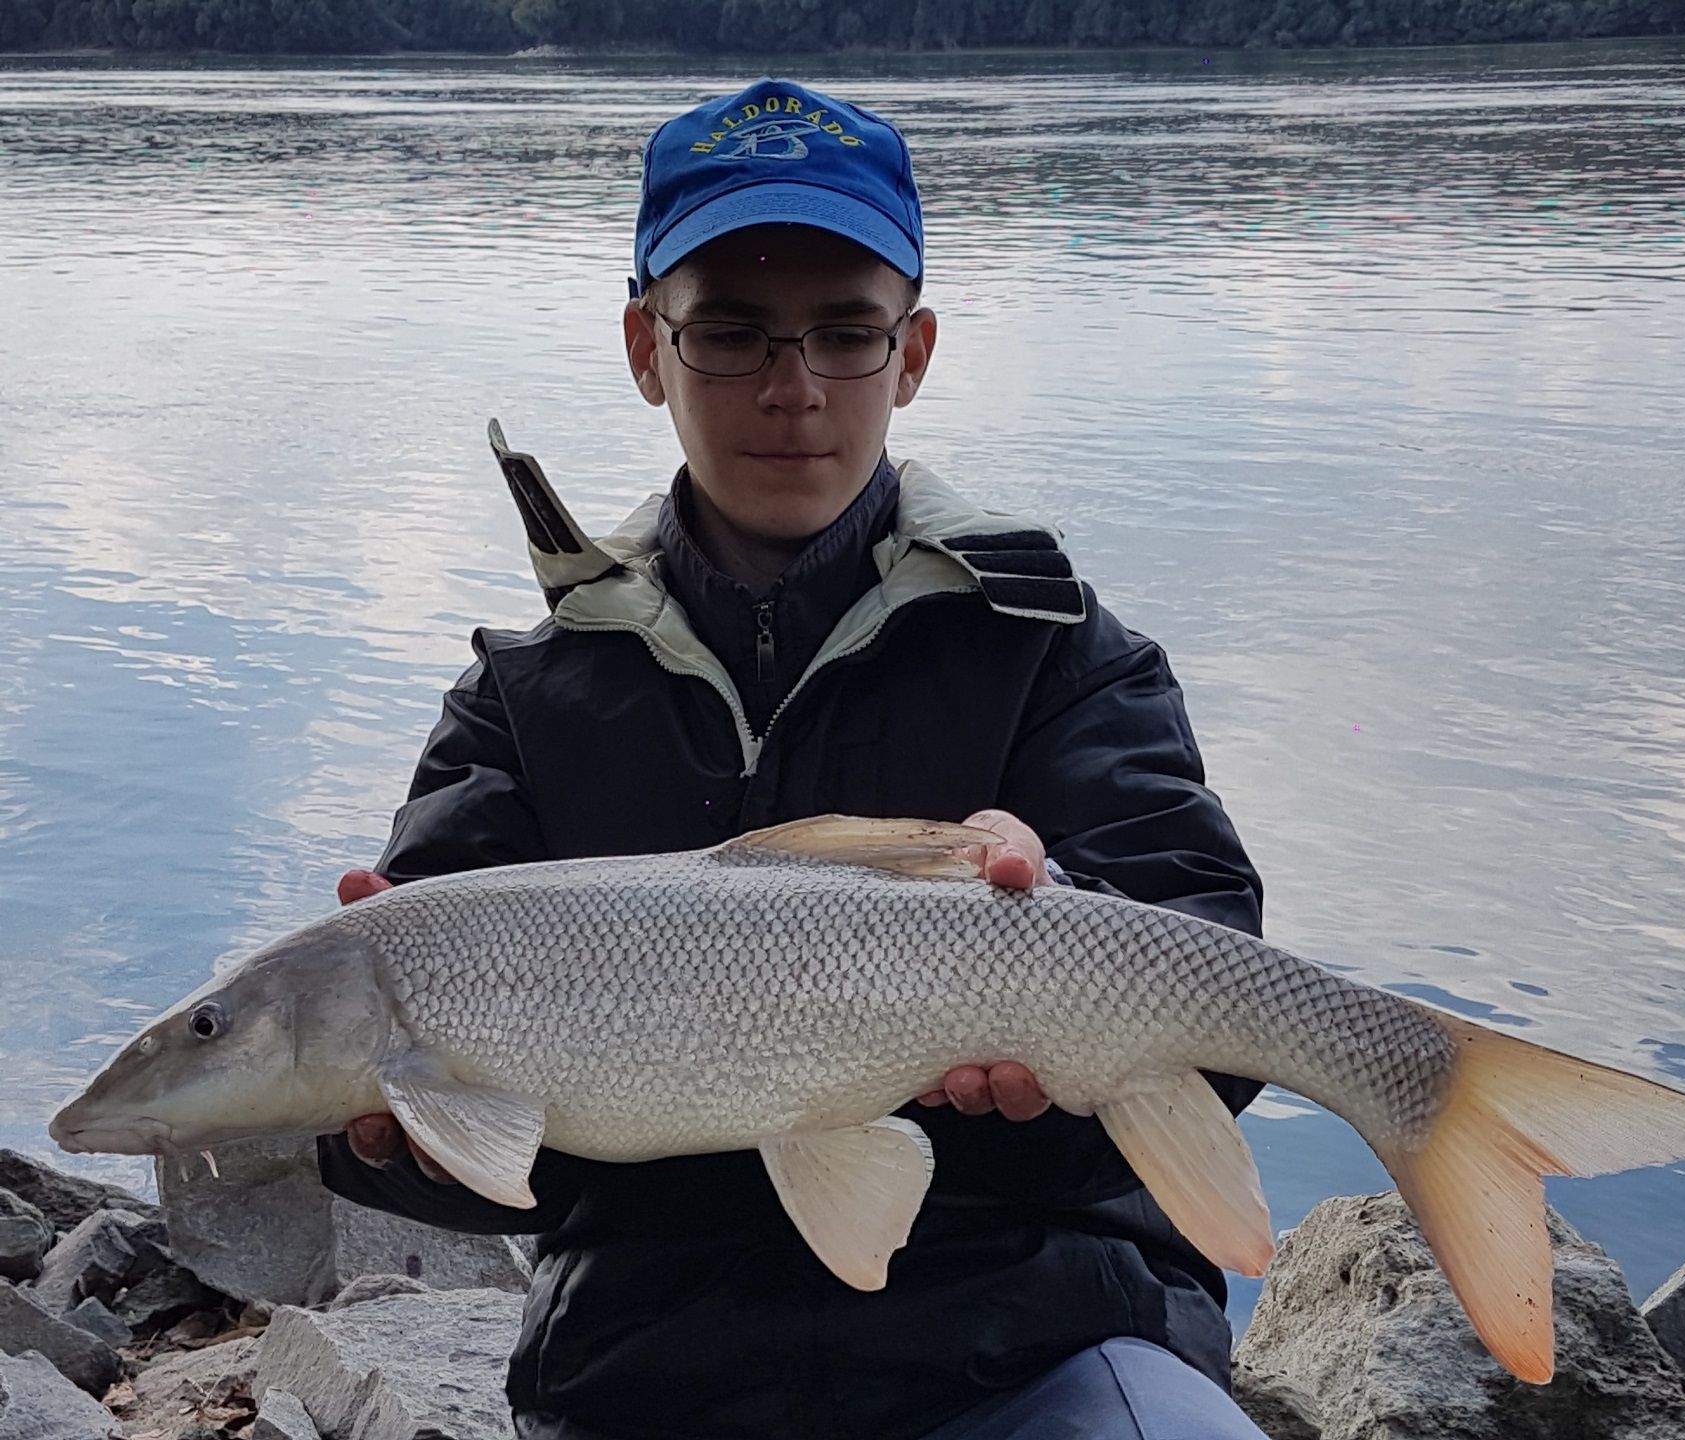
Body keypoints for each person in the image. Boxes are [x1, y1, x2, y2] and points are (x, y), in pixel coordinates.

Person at [318, 78, 1271, 1440]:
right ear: (648, 347)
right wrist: (393, 1135)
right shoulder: (522, 702)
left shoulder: (1053, 646)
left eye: (845, 333)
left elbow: (1208, 971)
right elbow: (486, 1174)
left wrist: (1065, 938)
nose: (793, 388)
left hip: (1039, 1339)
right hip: (649, 1372)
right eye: (731, 334)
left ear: (915, 350)